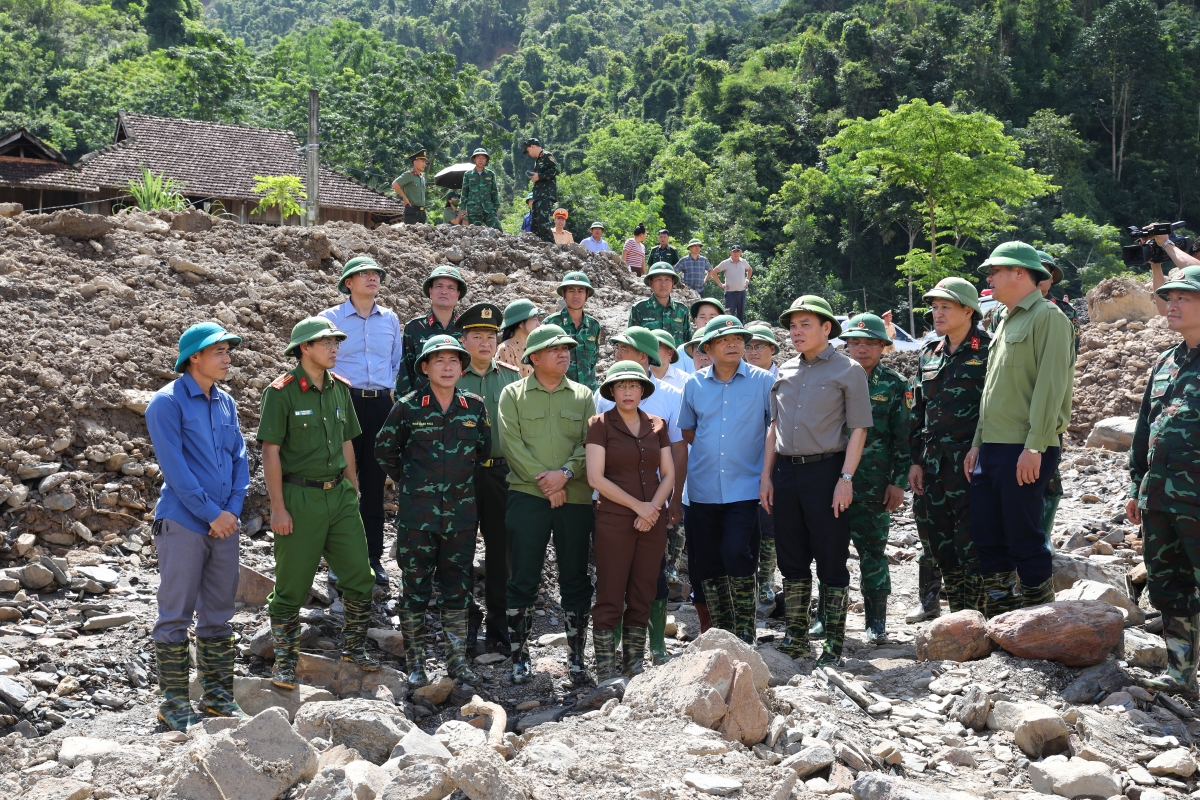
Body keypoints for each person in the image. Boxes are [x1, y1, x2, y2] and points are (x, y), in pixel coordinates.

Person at [258, 318, 378, 690]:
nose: (333, 347)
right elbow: (270, 452)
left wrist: (353, 488)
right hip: (300, 497)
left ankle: (354, 648)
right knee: (292, 586)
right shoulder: (282, 392)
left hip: (339, 496)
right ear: (304, 348)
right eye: (325, 342)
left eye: (335, 341)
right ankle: (285, 660)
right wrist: (278, 508)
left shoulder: (341, 388)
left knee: (361, 576)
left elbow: (346, 443)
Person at [146, 322, 249, 730]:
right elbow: (175, 470)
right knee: (175, 614)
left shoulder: (226, 403)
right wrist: (212, 514)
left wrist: (232, 511)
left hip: (225, 522)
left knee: (219, 614)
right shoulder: (166, 403)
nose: (227, 359)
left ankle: (218, 698)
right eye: (219, 352)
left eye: (228, 351)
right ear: (195, 357)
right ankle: (172, 703)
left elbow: (240, 459)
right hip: (183, 521)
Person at [964, 242, 1074, 617]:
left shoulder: (1049, 317)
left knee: (1024, 535)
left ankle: (1040, 622)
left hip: (1026, 446)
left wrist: (1036, 445)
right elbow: (992, 392)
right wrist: (977, 443)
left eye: (994, 270)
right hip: (993, 446)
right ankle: (1004, 617)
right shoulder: (1006, 319)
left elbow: (1050, 386)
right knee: (987, 534)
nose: (989, 277)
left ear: (1019, 272)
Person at [375, 334, 490, 686]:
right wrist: (412, 483)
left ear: (462, 367)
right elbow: (384, 451)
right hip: (417, 518)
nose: (447, 366)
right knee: (415, 589)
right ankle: (416, 662)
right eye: (439, 360)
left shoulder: (474, 406)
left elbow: (482, 453)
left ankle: (457, 660)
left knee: (458, 587)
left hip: (461, 516)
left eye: (454, 361)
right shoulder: (408, 406)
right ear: (425, 367)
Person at [761, 297, 871, 666]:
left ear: (826, 328)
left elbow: (858, 429)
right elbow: (773, 427)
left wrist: (846, 478)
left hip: (827, 470)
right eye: (792, 325)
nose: (796, 332)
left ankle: (834, 642)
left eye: (805, 324)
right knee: (791, 556)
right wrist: (766, 476)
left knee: (831, 555)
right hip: (786, 472)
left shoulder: (848, 369)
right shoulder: (785, 370)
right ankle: (795, 637)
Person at [499, 324, 596, 684]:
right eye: (555, 348)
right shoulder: (513, 394)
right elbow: (511, 444)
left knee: (575, 576)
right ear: (534, 357)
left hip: (575, 497)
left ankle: (576, 658)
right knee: (523, 576)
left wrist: (565, 476)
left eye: (567, 348)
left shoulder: (584, 395)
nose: (564, 353)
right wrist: (547, 481)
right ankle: (519, 656)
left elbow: (589, 443)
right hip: (527, 496)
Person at [806, 313, 909, 645]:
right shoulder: (829, 378)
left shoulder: (894, 385)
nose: (862, 349)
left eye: (869, 343)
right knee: (829, 553)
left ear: (883, 346)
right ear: (846, 345)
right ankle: (827, 617)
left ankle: (876, 621)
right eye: (855, 343)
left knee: (873, 553)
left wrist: (898, 482)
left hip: (874, 486)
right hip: (829, 483)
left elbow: (903, 438)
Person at [593, 327, 687, 666]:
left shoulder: (663, 413)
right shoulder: (600, 413)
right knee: (610, 585)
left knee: (647, 583)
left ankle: (643, 656)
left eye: (634, 385)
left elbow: (673, 464)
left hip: (654, 511)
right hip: (615, 512)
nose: (628, 391)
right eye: (621, 385)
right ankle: (606, 663)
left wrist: (662, 504)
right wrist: (639, 507)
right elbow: (596, 474)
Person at [1126, 264, 1200, 698]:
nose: (1170, 304)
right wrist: (1137, 487)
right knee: (1168, 586)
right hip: (1160, 502)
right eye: (1168, 298)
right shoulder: (1166, 362)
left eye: (1183, 298)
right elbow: (1143, 433)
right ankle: (1180, 672)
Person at [679, 315, 775, 643]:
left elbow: (773, 430)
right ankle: (721, 632)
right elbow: (689, 431)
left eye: (738, 339)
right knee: (706, 562)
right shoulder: (693, 385)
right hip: (702, 487)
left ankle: (745, 631)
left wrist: (765, 476)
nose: (733, 344)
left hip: (746, 486)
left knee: (738, 552)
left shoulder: (763, 382)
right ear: (708, 348)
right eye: (723, 340)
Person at [907, 277, 990, 621]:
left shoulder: (989, 349)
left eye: (946, 306)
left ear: (968, 310)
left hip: (971, 463)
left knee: (972, 542)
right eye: (934, 307)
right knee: (940, 544)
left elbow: (995, 407)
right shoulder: (929, 353)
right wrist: (914, 462)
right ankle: (958, 619)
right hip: (933, 465)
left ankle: (979, 616)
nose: (936, 313)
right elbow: (916, 411)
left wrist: (980, 447)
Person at [319, 256, 403, 589]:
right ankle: (339, 560)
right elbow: (320, 360)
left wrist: (389, 390)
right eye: (363, 274)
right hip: (345, 403)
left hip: (381, 405)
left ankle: (372, 558)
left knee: (373, 484)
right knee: (342, 484)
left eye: (376, 274)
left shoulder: (391, 319)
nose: (372, 278)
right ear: (348, 283)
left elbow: (395, 362)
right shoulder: (331, 319)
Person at [455, 304, 522, 656]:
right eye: (477, 336)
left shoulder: (512, 378)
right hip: (461, 474)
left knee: (501, 551)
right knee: (460, 548)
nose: (484, 342)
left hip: (501, 473)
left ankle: (499, 624)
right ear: (463, 341)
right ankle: (466, 622)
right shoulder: (450, 376)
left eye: (490, 336)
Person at [741, 322, 780, 603]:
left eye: (760, 346)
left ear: (772, 350)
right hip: (745, 461)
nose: (754, 351)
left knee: (770, 526)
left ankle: (766, 582)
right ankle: (747, 581)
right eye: (750, 346)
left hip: (779, 461)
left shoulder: (784, 378)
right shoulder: (740, 378)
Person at [397, 266, 467, 396]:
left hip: (461, 409)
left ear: (458, 294)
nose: (444, 291)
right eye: (439, 286)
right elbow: (404, 372)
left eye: (451, 288)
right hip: (421, 408)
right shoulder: (414, 328)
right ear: (430, 291)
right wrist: (405, 410)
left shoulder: (467, 329)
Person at [544, 271, 603, 391]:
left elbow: (593, 361)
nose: (576, 295)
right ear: (564, 293)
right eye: (571, 290)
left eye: (581, 291)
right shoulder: (550, 324)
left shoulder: (593, 325)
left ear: (587, 295)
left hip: (589, 393)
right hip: (560, 393)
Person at [628, 262, 692, 350]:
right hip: (648, 361)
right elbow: (631, 340)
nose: (663, 284)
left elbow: (687, 343)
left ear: (673, 283)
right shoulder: (639, 309)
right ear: (651, 282)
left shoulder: (682, 310)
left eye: (667, 280)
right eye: (658, 279)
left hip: (675, 362)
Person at [523, 137, 559, 243]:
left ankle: (550, 244)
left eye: (528, 150)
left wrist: (540, 176)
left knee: (543, 221)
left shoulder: (546, 155)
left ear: (533, 146)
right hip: (538, 195)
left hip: (546, 194)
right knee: (535, 223)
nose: (529, 154)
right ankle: (537, 244)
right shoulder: (537, 161)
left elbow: (556, 170)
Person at [497, 298, 544, 378]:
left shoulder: (536, 346)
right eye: (534, 320)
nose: (538, 325)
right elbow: (506, 381)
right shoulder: (506, 349)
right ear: (521, 324)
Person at [677, 298, 725, 373]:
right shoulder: (682, 351)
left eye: (712, 317)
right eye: (702, 317)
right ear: (695, 320)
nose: (707, 322)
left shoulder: (728, 348)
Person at [460, 148, 501, 230]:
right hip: (473, 210)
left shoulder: (490, 174)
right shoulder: (468, 174)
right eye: (478, 158)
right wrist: (463, 208)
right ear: (474, 159)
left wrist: (496, 207)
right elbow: (464, 192)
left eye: (483, 158)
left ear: (486, 160)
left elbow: (494, 192)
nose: (481, 160)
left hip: (488, 209)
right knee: (475, 233)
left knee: (498, 230)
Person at [709, 245, 753, 322]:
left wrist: (747, 280)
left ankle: (740, 331)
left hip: (741, 291)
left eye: (738, 251)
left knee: (741, 314)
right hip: (730, 292)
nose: (736, 253)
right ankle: (728, 331)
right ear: (731, 253)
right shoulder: (726, 263)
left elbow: (749, 269)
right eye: (734, 251)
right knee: (729, 314)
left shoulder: (743, 262)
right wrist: (721, 284)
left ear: (740, 253)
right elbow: (714, 272)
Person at [391, 149, 428, 225]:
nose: (424, 164)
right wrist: (404, 197)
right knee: (411, 235)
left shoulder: (422, 177)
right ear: (415, 162)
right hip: (412, 211)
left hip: (422, 212)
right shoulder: (409, 175)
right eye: (422, 161)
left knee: (422, 236)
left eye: (425, 162)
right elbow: (395, 184)